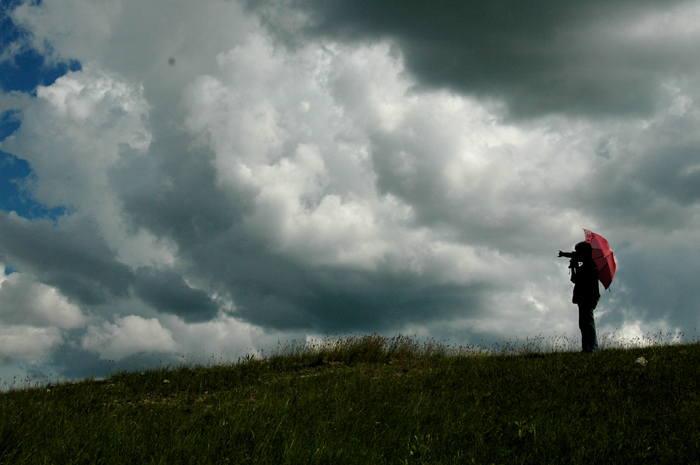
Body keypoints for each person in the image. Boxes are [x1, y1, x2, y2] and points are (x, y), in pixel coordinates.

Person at [561, 241, 600, 352]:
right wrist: (574, 267)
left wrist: (575, 267)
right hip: (584, 297)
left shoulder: (590, 266)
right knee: (584, 324)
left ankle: (592, 348)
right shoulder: (588, 265)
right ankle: (587, 348)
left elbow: (578, 279)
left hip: (587, 297)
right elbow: (574, 279)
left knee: (587, 323)